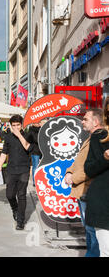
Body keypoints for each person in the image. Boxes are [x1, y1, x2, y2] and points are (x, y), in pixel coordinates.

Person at [64, 109, 103, 257]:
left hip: (90, 190)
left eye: (86, 119)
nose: (82, 121)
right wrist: (69, 171)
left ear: (96, 122)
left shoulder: (100, 138)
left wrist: (73, 178)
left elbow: (94, 166)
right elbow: (79, 161)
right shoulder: (91, 138)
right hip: (83, 191)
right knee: (88, 228)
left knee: (93, 230)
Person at [0, 114, 33, 230]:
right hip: (11, 169)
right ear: (11, 126)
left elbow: (28, 147)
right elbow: (4, 152)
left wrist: (19, 135)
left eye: (18, 125)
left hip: (24, 169)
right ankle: (15, 209)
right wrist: (0, 165)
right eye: (14, 126)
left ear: (22, 125)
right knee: (10, 195)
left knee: (21, 195)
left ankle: (20, 221)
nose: (16, 127)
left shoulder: (28, 135)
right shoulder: (8, 137)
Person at [83, 108, 109, 257]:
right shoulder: (100, 137)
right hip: (103, 204)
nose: (82, 122)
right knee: (102, 249)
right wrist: (105, 158)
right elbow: (88, 168)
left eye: (85, 119)